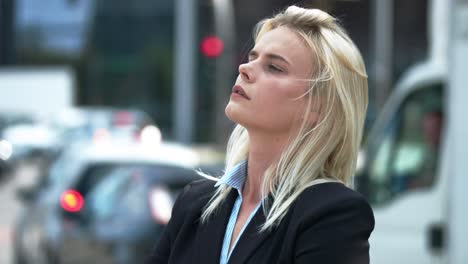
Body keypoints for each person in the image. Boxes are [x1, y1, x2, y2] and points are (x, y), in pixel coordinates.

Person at [146, 6, 374, 264]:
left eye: (274, 67)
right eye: (252, 57)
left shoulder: (332, 213)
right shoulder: (194, 204)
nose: (245, 68)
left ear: (318, 106)